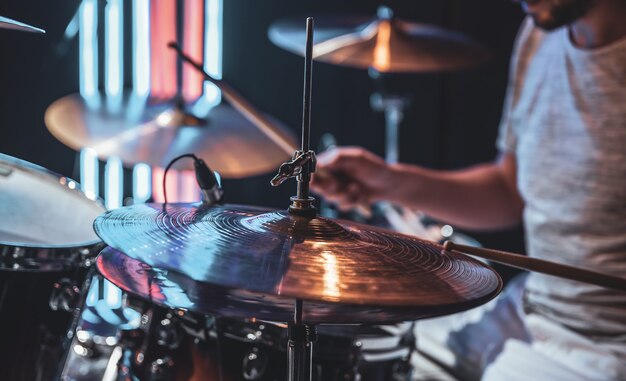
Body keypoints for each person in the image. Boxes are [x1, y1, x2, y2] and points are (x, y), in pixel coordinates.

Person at [311, 0, 626, 379]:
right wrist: (388, 182)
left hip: (605, 348)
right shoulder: (540, 35)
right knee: (367, 348)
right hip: (523, 311)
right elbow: (508, 191)